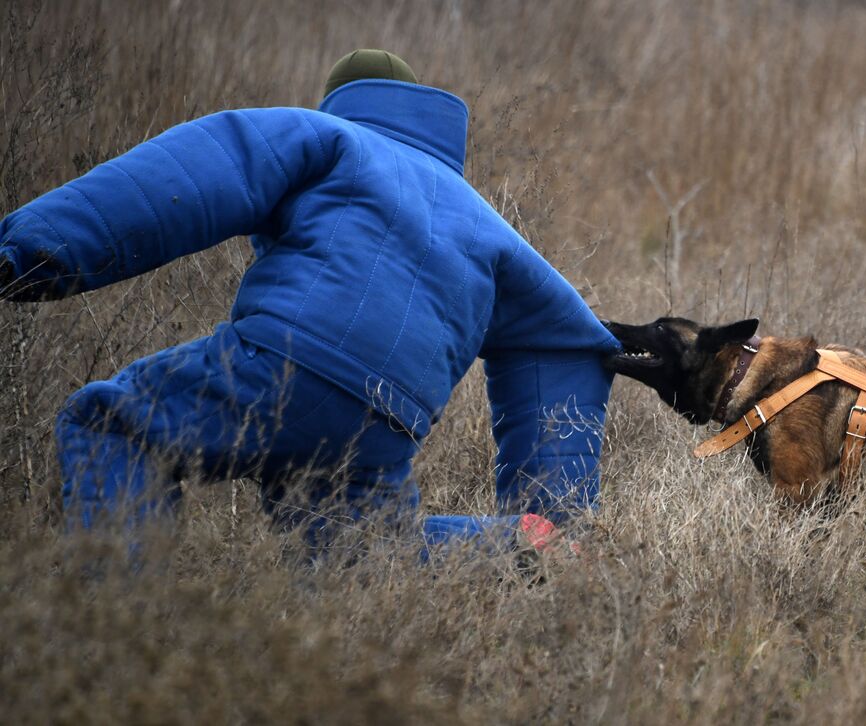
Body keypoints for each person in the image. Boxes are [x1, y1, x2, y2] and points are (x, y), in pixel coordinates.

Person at [0, 49, 618, 556]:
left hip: (292, 360)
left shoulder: (329, 137)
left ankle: (113, 639)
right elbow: (565, 340)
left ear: (341, 99)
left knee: (117, 427)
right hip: (391, 417)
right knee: (364, 550)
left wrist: (33, 250)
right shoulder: (486, 224)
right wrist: (556, 509)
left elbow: (189, 175)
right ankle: (527, 548)